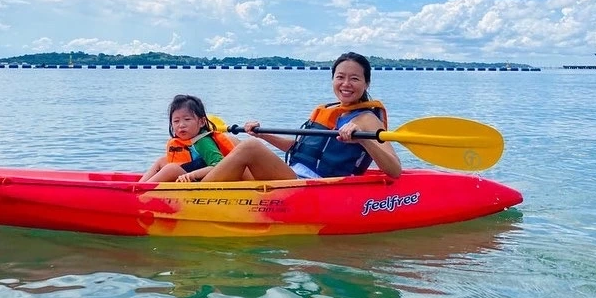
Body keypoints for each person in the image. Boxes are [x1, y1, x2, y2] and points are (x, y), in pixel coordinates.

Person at [201, 52, 402, 182]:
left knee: (250, 148)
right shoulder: (328, 111)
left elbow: (394, 170)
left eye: (355, 78)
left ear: (366, 83)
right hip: (294, 175)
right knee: (234, 141)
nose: (346, 84)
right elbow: (299, 149)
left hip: (317, 186)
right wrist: (262, 135)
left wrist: (364, 140)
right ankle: (197, 185)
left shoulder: (368, 119)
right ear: (333, 79)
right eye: (340, 77)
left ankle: (193, 197)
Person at [139, 94, 235, 182]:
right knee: (162, 161)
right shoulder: (184, 141)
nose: (181, 125)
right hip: (188, 173)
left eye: (187, 119)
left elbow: (220, 166)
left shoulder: (204, 142)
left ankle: (142, 190)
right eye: (176, 121)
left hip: (198, 179)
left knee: (171, 169)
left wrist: (193, 175)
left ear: (202, 122)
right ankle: (140, 185)